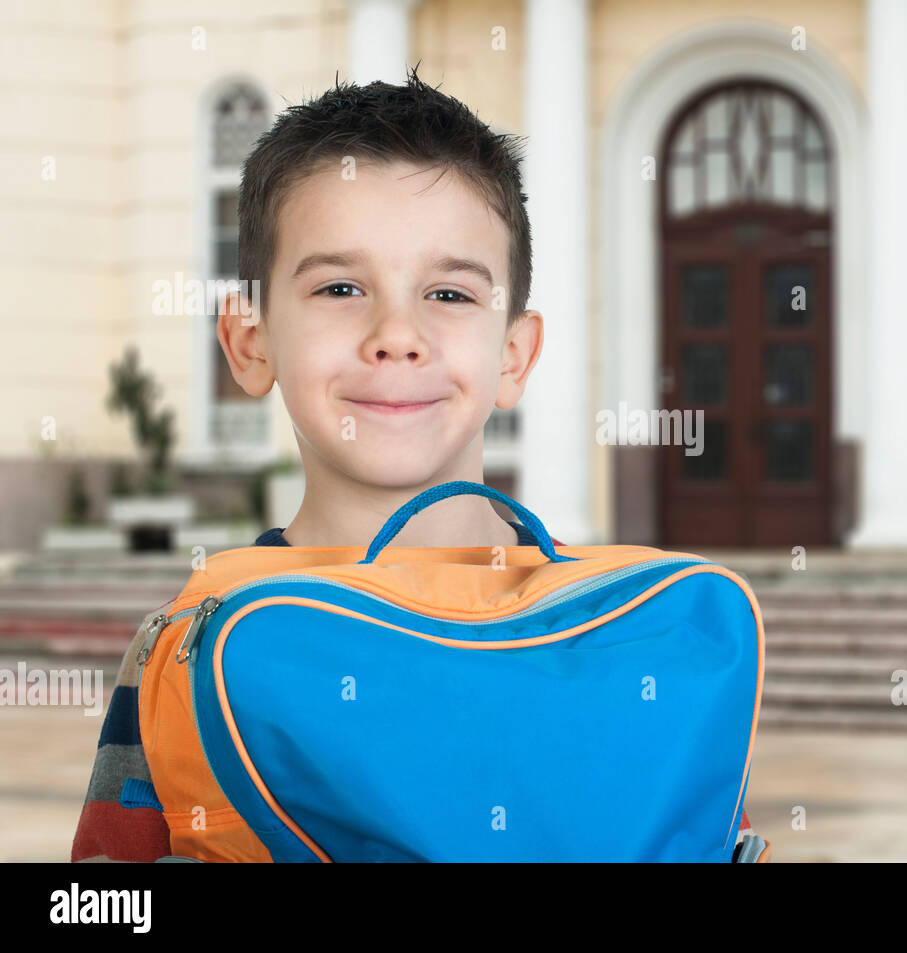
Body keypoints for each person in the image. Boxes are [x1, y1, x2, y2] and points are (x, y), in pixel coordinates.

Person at [71, 66, 767, 863]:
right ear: (249, 340)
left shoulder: (642, 636)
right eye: (340, 286)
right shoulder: (183, 647)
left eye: (449, 295)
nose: (397, 333)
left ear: (514, 354)